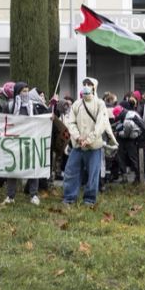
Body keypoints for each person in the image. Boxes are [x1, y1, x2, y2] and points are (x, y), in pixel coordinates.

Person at [63, 77, 117, 206]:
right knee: (71, 172)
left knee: (93, 174)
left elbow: (101, 125)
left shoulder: (100, 104)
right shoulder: (77, 104)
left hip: (93, 146)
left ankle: (89, 199)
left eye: (89, 84)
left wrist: (89, 139)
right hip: (77, 146)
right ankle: (69, 198)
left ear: (94, 87)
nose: (86, 86)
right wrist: (77, 137)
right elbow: (71, 122)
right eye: (85, 84)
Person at [2, 82, 48, 205]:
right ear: (17, 92)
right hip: (14, 142)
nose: (26, 93)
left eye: (27, 90)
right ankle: (10, 196)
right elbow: (3, 120)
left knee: (33, 168)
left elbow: (40, 120)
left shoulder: (32, 106)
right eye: (23, 91)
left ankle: (34, 194)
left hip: (30, 142)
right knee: (13, 169)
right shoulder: (10, 106)